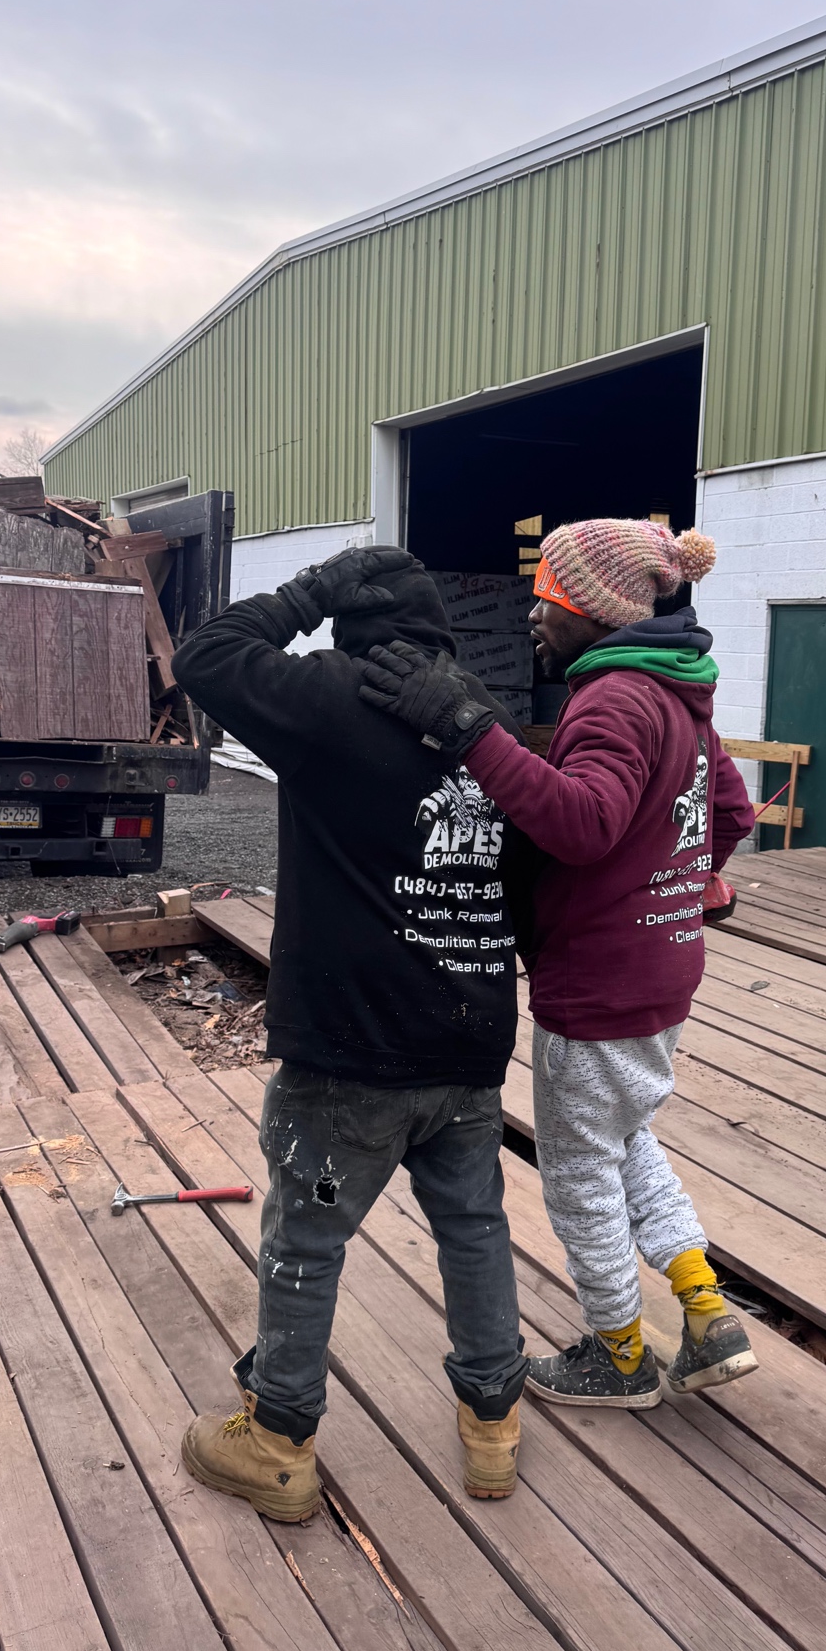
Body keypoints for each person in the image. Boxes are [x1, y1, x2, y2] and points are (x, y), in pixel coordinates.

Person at [359, 519, 758, 1410]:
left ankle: (618, 1356)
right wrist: (680, 887)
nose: (533, 615)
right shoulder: (678, 692)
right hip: (661, 969)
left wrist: (468, 729)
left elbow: (581, 823)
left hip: (598, 982)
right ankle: (705, 1311)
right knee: (624, 1133)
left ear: (595, 608)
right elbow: (728, 812)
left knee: (578, 1175)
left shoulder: (614, 698)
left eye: (547, 597)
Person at [169, 545, 531, 1519]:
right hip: (465, 1056)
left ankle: (279, 1440)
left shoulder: (330, 698)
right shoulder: (481, 717)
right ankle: (492, 1424)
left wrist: (305, 593)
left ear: (350, 619)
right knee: (473, 1226)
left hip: (350, 1076)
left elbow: (204, 655)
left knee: (310, 1226)